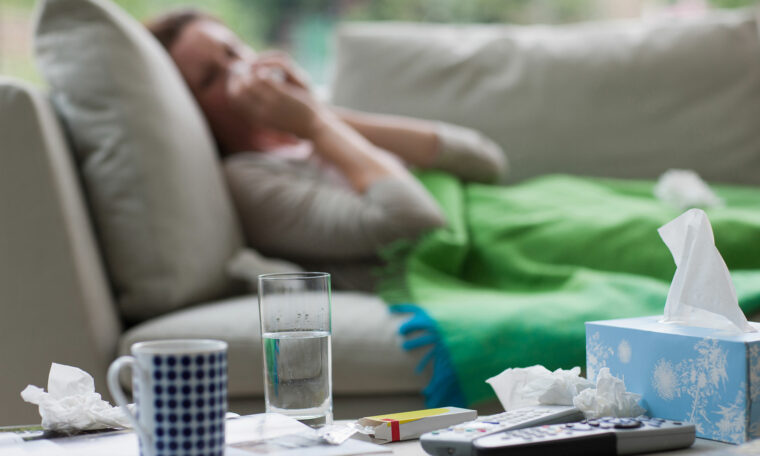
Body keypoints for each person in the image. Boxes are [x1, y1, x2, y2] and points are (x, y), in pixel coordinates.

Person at [146, 9, 507, 290]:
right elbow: (416, 224)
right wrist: (315, 125)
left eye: (233, 50)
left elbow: (485, 160)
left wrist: (319, 115)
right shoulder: (247, 179)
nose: (239, 70)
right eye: (210, 78)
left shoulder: (317, 130)